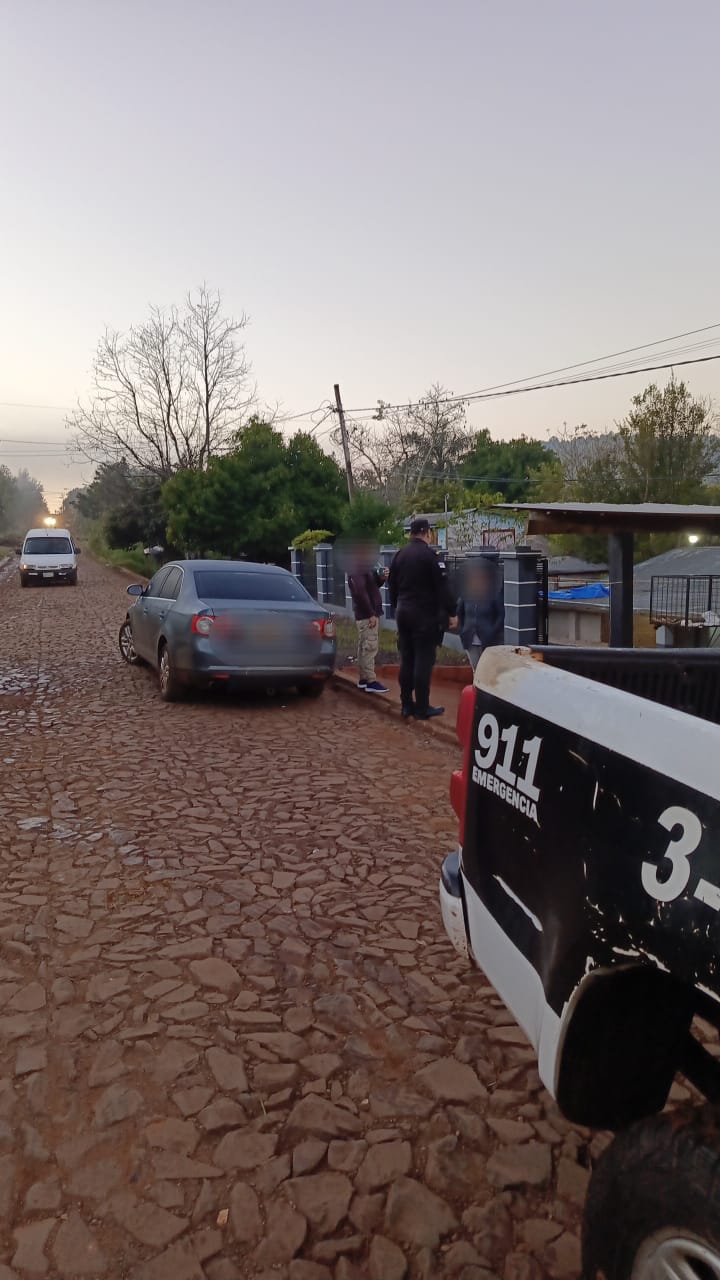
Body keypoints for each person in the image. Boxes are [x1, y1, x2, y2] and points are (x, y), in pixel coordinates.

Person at [389, 518, 458, 720]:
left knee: (407, 658)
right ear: (427, 533)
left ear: (411, 533)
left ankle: (406, 705)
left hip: (403, 613)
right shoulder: (431, 556)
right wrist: (452, 613)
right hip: (424, 616)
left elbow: (392, 588)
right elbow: (443, 588)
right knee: (423, 660)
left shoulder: (399, 555)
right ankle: (421, 708)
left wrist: (398, 607)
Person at [347, 544, 389, 694]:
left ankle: (364, 679)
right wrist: (371, 613)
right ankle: (370, 680)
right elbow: (360, 593)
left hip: (366, 614)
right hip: (366, 615)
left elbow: (371, 586)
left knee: (365, 646)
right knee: (370, 647)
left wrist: (381, 578)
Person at [456, 560, 505, 670]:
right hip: (470, 640)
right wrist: (461, 630)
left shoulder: (494, 594)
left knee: (487, 670)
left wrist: (493, 631)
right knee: (476, 670)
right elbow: (459, 613)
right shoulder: (466, 595)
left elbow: (501, 615)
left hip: (488, 640)